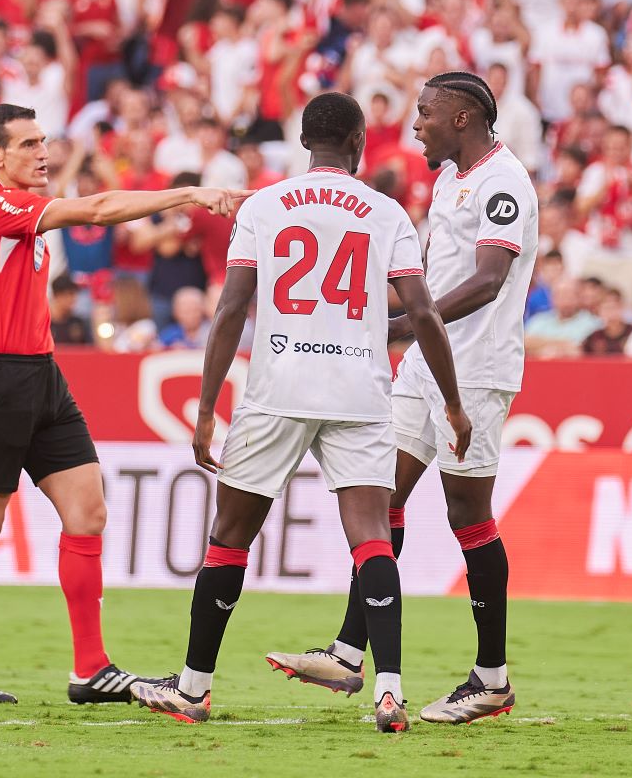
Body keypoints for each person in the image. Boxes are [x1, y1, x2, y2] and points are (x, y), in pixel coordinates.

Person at [129, 93, 472, 734]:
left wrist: (206, 408)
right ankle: (390, 692)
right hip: (359, 390)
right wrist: (452, 402)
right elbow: (424, 314)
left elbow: (231, 309)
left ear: (302, 140)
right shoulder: (387, 212)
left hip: (278, 384)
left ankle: (194, 688)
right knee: (372, 534)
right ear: (359, 143)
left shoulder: (264, 205)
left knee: (230, 538)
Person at [0, 103, 247, 705]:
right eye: (27, 144)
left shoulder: (21, 210)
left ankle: (91, 669)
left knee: (88, 511)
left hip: (41, 375)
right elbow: (96, 210)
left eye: (43, 141)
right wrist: (186, 195)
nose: (41, 153)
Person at [269, 72, 539, 725]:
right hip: (430, 359)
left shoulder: (504, 183)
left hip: (475, 366)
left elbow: (488, 280)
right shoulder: (451, 179)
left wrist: (405, 323)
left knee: (466, 510)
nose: (415, 123)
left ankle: (491, 678)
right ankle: (347, 652)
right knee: (382, 492)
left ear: (463, 119)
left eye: (426, 113)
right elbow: (436, 279)